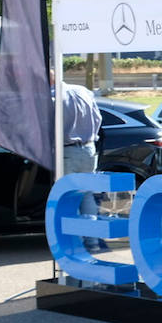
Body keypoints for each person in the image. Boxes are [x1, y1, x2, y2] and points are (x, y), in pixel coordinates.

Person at [58, 75, 104, 254]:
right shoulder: (83, 91)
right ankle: (91, 241)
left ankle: (74, 243)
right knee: (87, 195)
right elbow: (98, 119)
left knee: (69, 197)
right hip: (89, 148)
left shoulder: (54, 98)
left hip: (67, 150)